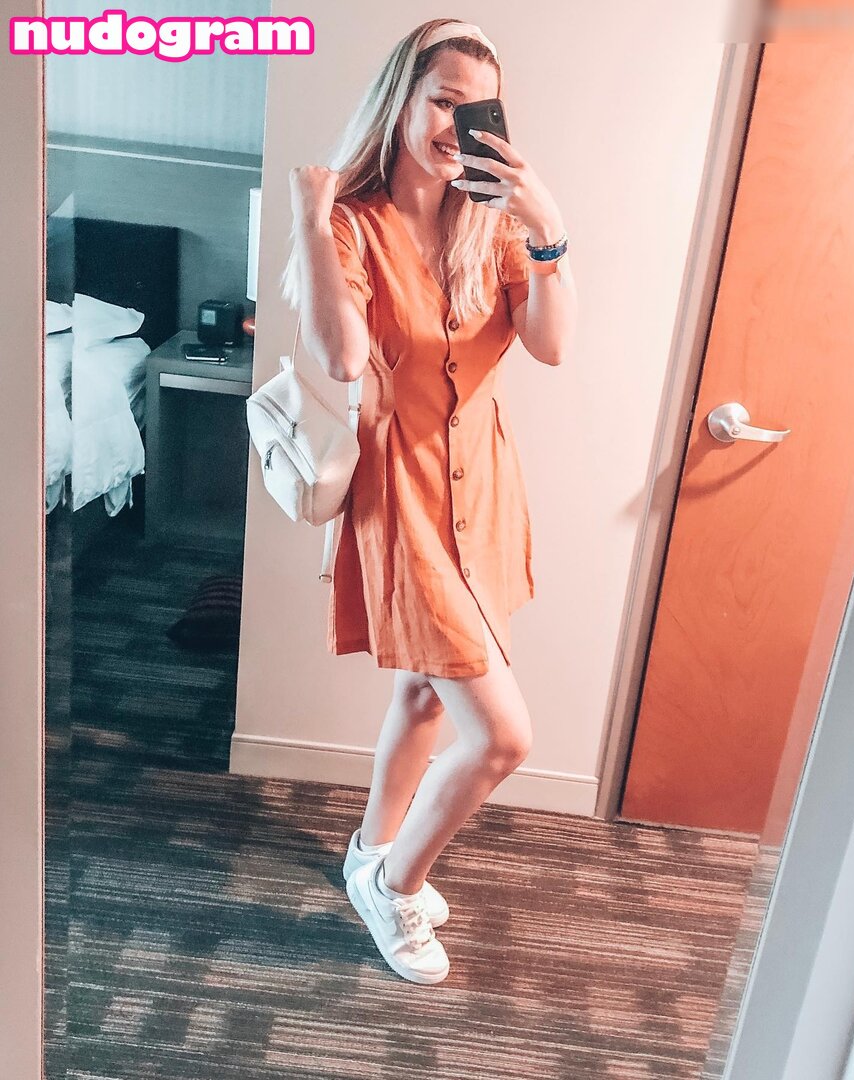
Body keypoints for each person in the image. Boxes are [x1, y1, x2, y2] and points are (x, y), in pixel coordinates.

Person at [284, 17, 577, 985]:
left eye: (475, 107)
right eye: (442, 100)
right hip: (404, 499)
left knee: (422, 690)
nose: (457, 125)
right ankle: (395, 885)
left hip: (484, 492)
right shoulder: (352, 221)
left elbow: (550, 345)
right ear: (402, 101)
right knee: (502, 736)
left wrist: (546, 227)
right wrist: (309, 218)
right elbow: (341, 357)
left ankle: (371, 848)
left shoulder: (491, 223)